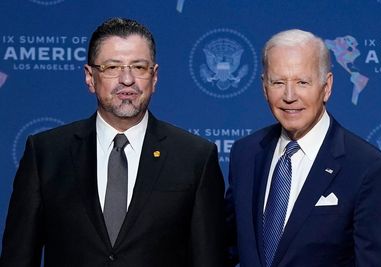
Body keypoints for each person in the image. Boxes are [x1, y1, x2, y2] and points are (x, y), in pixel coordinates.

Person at [0, 18, 225, 267]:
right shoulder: (46, 153)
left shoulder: (195, 157)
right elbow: (17, 258)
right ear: (90, 77)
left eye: (139, 67)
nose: (126, 80)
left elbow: (209, 259)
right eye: (112, 67)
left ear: (155, 76)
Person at [225, 29, 381, 267]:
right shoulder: (245, 154)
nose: (289, 96)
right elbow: (224, 248)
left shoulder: (368, 169)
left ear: (326, 86)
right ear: (264, 87)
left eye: (302, 82)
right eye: (278, 82)